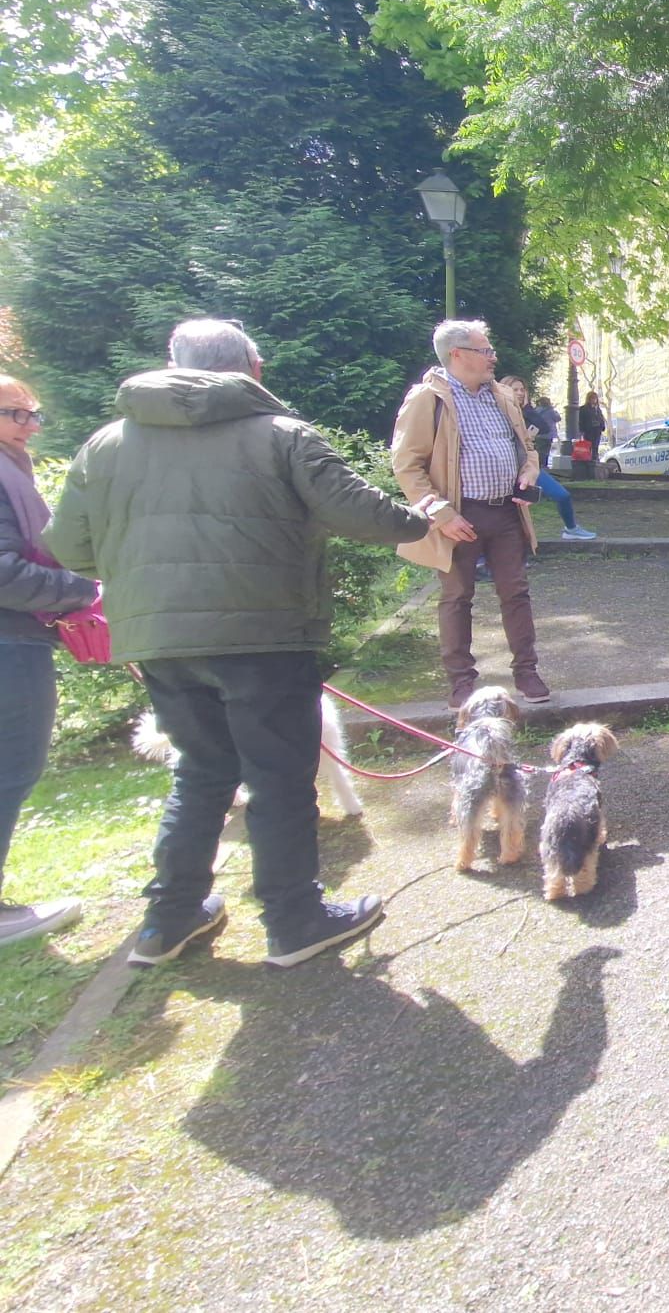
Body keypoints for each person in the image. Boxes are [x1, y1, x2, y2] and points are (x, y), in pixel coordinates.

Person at [45, 320, 434, 968]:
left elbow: (69, 549)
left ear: (173, 364)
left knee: (200, 773)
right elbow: (360, 512)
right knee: (280, 777)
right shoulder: (281, 435)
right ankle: (294, 920)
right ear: (253, 368)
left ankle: (167, 921)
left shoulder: (105, 445)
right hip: (265, 636)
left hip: (160, 644)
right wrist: (423, 518)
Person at [391, 320, 550, 710]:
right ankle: (461, 682)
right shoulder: (427, 399)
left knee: (516, 592)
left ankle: (526, 673)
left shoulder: (502, 396)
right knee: (457, 597)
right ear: (457, 355)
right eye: (486, 350)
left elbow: (526, 448)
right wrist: (441, 512)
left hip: (506, 513)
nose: (493, 357)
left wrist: (529, 472)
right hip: (459, 517)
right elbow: (407, 465)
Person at [0, 375, 99, 948]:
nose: (33, 426)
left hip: (17, 637)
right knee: (10, 767)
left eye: (35, 413)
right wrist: (84, 591)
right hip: (8, 643)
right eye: (20, 415)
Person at [500, 377, 595, 541]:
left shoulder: (525, 413)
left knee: (562, 495)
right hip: (505, 469)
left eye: (522, 389)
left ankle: (571, 529)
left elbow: (543, 426)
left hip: (528, 467)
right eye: (515, 389)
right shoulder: (497, 412)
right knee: (510, 512)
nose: (520, 393)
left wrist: (527, 407)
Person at [578, 392, 607, 460]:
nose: (594, 400)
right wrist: (581, 431)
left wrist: (602, 427)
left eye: (595, 398)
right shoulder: (583, 409)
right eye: (592, 398)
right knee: (588, 447)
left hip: (597, 431)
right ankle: (588, 461)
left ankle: (595, 459)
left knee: (595, 447)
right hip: (588, 431)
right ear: (589, 399)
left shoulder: (597, 409)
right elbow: (581, 420)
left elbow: (601, 418)